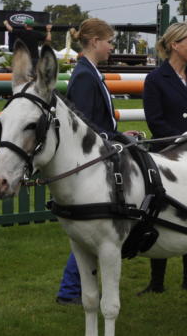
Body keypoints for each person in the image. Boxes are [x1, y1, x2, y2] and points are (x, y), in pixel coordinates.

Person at [55, 17, 138, 304]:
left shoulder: (89, 72)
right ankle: (69, 290)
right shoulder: (84, 76)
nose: (112, 48)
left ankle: (70, 290)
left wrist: (118, 134)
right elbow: (83, 122)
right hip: (93, 159)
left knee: (90, 231)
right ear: (95, 42)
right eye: (110, 42)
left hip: (101, 149)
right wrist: (111, 137)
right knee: (90, 230)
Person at [139, 22, 187, 294]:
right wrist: (184, 143)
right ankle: (156, 282)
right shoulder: (156, 80)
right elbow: (156, 122)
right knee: (161, 215)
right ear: (175, 45)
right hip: (167, 156)